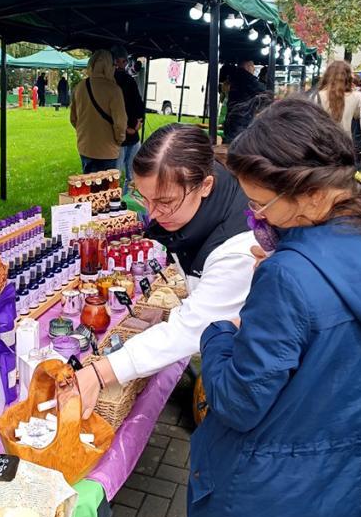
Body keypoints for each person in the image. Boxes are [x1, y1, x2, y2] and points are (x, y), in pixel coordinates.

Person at [188, 98, 361, 517]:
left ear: (306, 195)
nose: (254, 216)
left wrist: (220, 334)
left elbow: (238, 400)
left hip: (274, 489)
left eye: (260, 203)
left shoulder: (289, 278)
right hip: (351, 475)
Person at [77, 122, 256, 419]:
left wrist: (103, 372)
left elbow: (193, 329)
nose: (153, 214)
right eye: (144, 199)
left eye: (165, 202)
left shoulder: (236, 249)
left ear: (205, 185)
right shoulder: (204, 207)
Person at [70, 49, 127, 173]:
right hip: (108, 151)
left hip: (85, 147)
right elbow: (120, 124)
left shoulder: (79, 87)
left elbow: (73, 119)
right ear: (109, 66)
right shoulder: (114, 90)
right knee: (105, 191)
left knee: (87, 188)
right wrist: (118, 140)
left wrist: (85, 134)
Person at [112, 45, 145, 195]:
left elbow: (138, 103)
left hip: (132, 135)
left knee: (133, 176)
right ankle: (115, 206)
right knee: (115, 177)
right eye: (120, 61)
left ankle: (127, 206)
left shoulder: (129, 81)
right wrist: (128, 128)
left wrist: (138, 122)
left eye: (125, 61)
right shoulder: (110, 82)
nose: (122, 64)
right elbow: (112, 113)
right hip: (119, 137)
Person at [222, 60, 265, 143]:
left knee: (232, 142)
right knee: (238, 144)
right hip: (241, 118)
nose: (254, 70)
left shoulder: (236, 76)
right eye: (253, 67)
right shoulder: (245, 77)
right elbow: (262, 89)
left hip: (234, 116)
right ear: (248, 67)